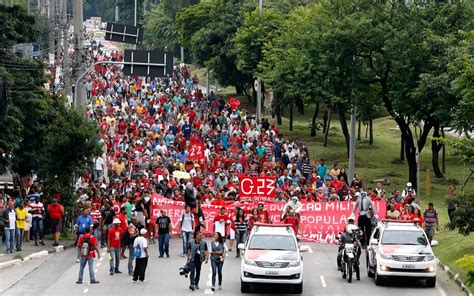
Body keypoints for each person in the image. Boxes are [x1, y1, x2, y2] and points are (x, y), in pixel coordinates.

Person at [336, 214, 361, 280]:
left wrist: (358, 244)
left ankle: (358, 276)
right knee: (339, 255)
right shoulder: (343, 235)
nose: (351, 222)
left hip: (352, 249)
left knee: (355, 262)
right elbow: (339, 240)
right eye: (349, 221)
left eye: (352, 221)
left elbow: (358, 240)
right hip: (345, 248)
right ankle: (339, 266)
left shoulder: (354, 235)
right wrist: (338, 242)